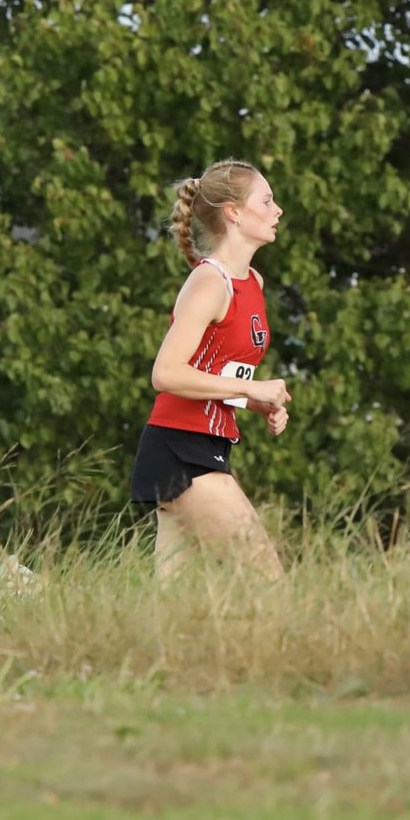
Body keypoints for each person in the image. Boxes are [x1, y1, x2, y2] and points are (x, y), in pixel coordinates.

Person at [130, 157, 291, 578]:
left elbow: (214, 370)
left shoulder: (252, 283)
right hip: (180, 449)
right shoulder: (209, 282)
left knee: (171, 608)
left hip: (207, 447)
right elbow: (165, 374)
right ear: (234, 213)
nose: (278, 211)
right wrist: (255, 389)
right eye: (268, 200)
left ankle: (26, 605)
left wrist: (251, 401)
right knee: (269, 581)